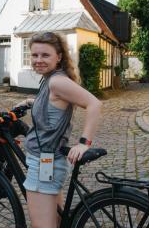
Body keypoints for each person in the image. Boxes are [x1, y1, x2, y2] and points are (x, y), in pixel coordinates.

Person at [18, 32, 102, 228]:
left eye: (45, 55)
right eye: (35, 55)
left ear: (59, 57)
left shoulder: (56, 81)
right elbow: (55, 104)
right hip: (47, 160)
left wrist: (84, 143)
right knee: (55, 222)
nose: (38, 60)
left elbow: (94, 104)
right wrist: (31, 102)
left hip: (44, 162)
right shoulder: (50, 79)